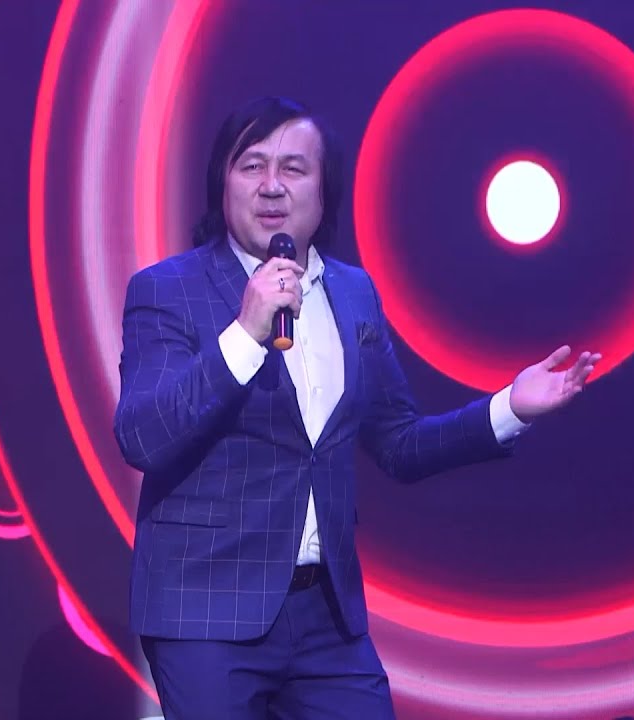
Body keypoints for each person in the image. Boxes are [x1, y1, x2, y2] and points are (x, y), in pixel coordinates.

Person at [114, 96, 601, 719]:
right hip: (206, 610)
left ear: (323, 192)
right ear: (222, 182)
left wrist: (511, 408)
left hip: (327, 617)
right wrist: (245, 333)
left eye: (293, 168)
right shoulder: (167, 289)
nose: (271, 186)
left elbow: (399, 442)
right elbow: (143, 436)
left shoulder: (353, 292)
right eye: (252, 165)